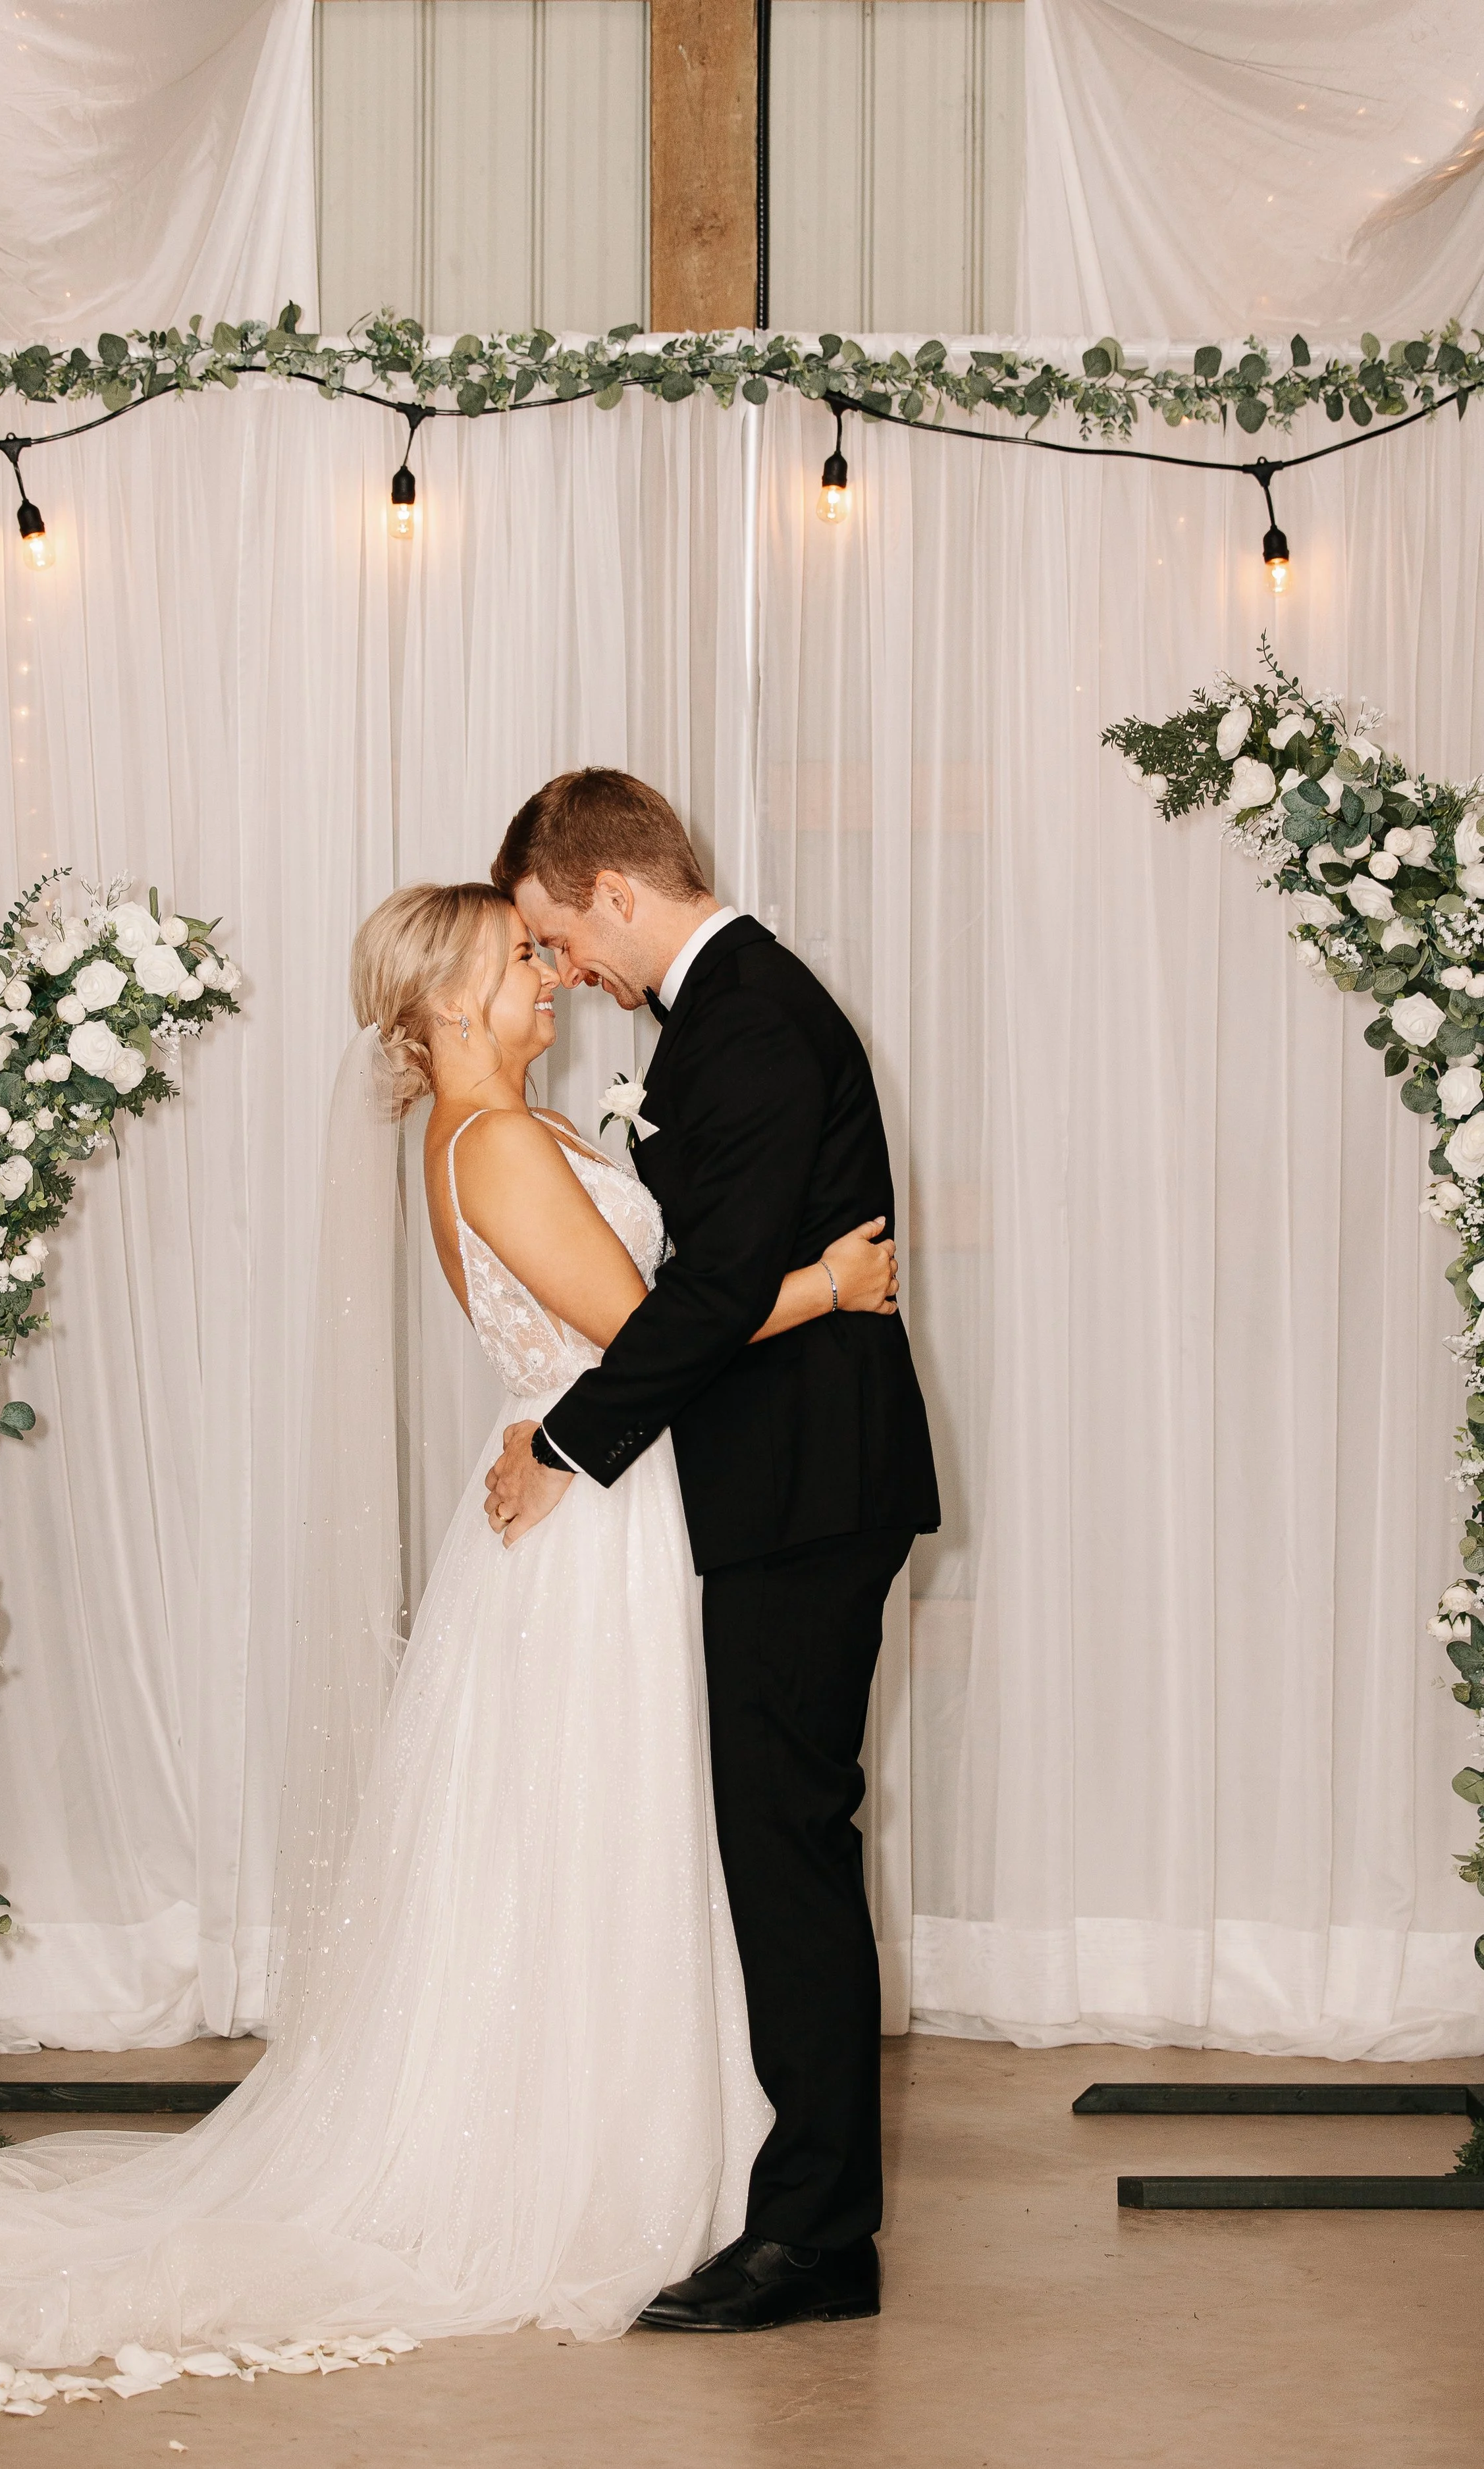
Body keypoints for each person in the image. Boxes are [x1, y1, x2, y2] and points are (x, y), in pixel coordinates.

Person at [0, 880, 901, 2370]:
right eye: (514, 960)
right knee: (599, 1840)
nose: (544, 975)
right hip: (589, 1528)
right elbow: (638, 1330)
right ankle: (588, 2169)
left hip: (597, 1501)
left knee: (607, 1843)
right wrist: (829, 1285)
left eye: (541, 949)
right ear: (450, 1004)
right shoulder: (500, 1145)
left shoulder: (488, 1135)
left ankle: (677, 2154)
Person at [486, 771, 940, 2334]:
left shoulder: (738, 1015)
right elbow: (738, 1270)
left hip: (805, 1491)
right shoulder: (732, 1007)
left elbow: (707, 1289)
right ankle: (810, 2214)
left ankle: (813, 2240)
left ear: (611, 892)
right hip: (790, 1483)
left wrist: (559, 1443)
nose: (567, 975)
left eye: (558, 937)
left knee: (788, 1855)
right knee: (782, 1847)